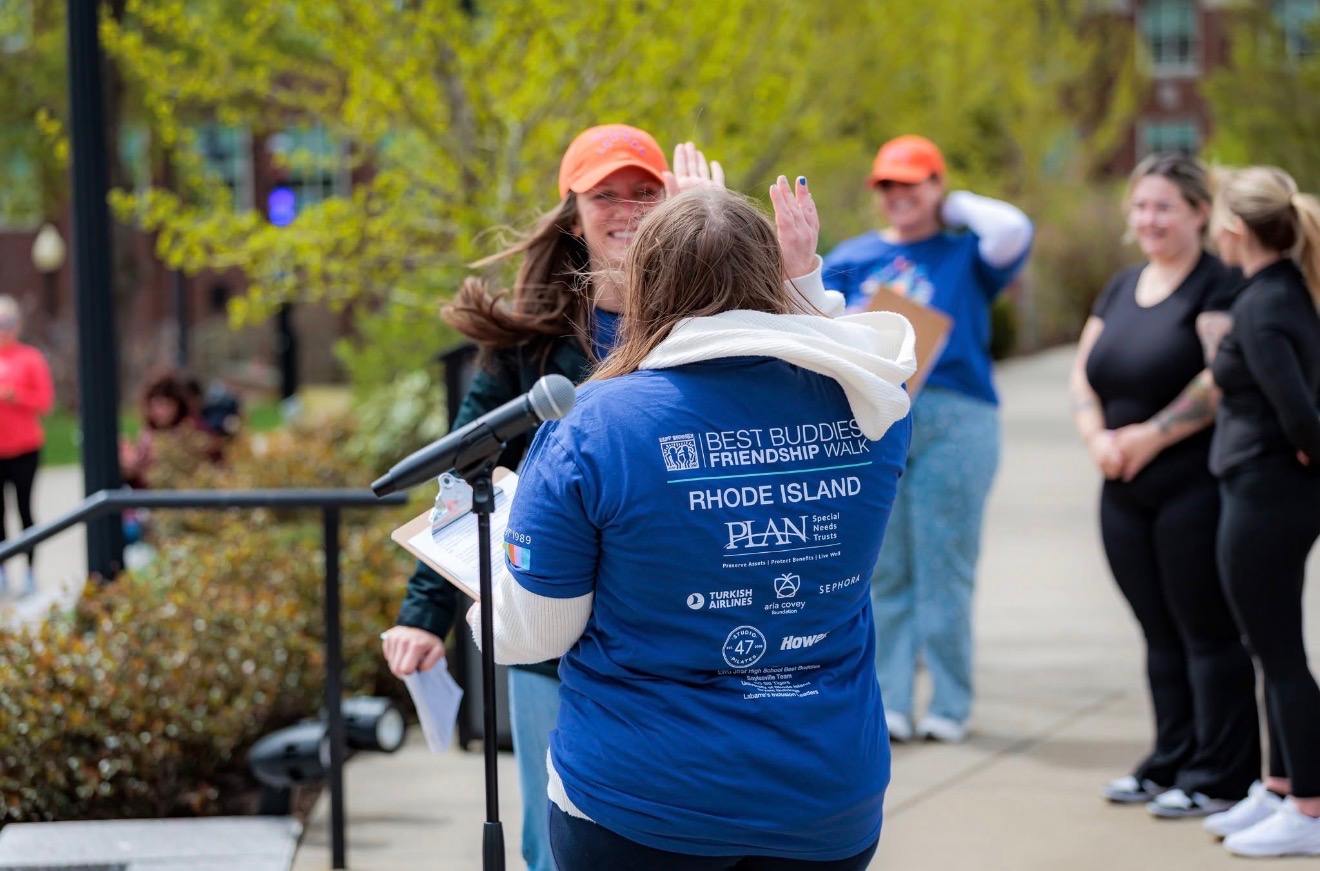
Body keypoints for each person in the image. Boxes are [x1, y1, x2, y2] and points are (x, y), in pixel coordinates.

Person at [468, 181, 915, 869]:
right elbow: (837, 343)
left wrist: (481, 577)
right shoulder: (873, 404)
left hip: (641, 804)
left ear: (645, 287)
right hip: (825, 793)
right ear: (769, 277)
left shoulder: (594, 426)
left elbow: (534, 631)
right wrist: (805, 279)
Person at [381, 125, 732, 871]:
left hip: (672, 631)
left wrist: (719, 237)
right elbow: (462, 477)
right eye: (607, 194)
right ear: (573, 213)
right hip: (553, 636)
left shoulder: (706, 324)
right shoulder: (526, 348)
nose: (628, 209)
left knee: (675, 834)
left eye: (648, 192)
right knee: (555, 845)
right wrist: (423, 617)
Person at [821, 134, 1033, 742]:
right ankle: (888, 700)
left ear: (938, 186)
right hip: (876, 418)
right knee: (883, 568)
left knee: (945, 564)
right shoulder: (855, 255)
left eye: (914, 182)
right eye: (888, 184)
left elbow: (1013, 228)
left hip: (956, 419)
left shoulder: (963, 252)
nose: (899, 195)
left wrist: (955, 204)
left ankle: (949, 702)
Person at [1069, 154, 1259, 818]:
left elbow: (1217, 379)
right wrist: (1098, 438)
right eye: (1140, 206)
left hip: (1191, 483)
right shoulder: (1122, 285)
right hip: (1120, 485)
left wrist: (1148, 436)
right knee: (1157, 631)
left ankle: (1222, 773)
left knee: (1206, 630)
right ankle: (1169, 759)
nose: (1149, 219)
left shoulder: (1219, 283)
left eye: (1165, 207)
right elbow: (1084, 374)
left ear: (1200, 213)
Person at [1199, 165, 1320, 858]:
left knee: (1279, 653)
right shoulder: (1282, 291)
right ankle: (1280, 787)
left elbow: (1299, 412)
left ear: (1233, 229)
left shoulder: (1262, 304)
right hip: (1265, 488)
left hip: (1267, 493)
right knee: (1268, 647)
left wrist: (1312, 450)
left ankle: (1308, 803)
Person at [0, 295, 55, 598]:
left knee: (24, 509)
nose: (2, 330)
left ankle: (32, 571)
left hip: (24, 448)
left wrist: (15, 395)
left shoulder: (30, 358)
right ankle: (3, 569)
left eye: (7, 323)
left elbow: (45, 402)